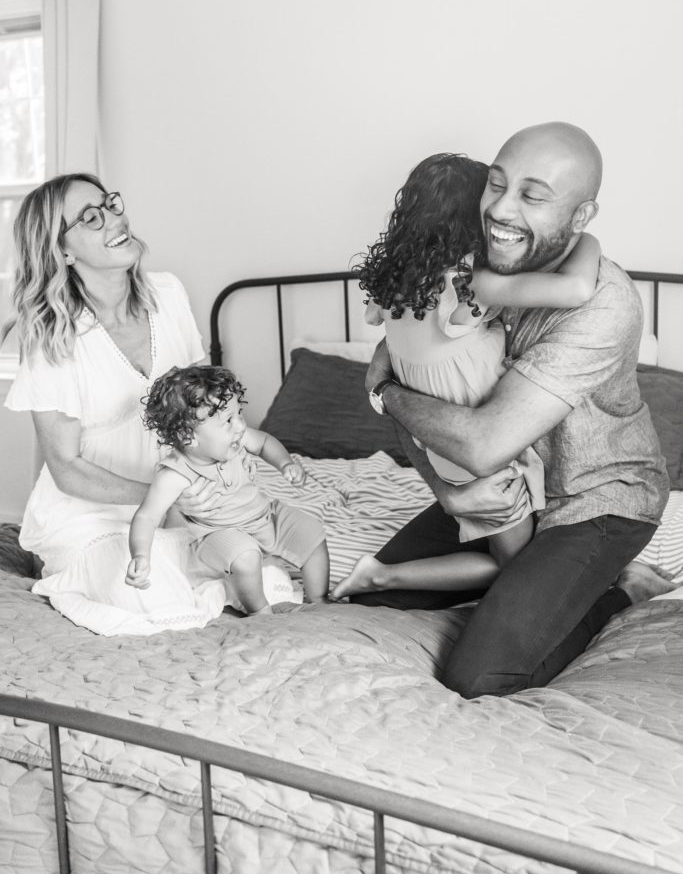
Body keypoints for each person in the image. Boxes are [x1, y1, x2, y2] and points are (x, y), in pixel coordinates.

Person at [340, 122, 674, 697]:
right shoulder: (458, 273)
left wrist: (384, 392)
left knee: (483, 674)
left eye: (532, 194)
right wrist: (445, 493)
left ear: (579, 216)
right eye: (495, 185)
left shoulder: (602, 304)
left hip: (593, 498)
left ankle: (617, 588)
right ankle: (544, 581)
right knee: (389, 594)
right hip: (498, 483)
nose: (501, 208)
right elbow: (428, 390)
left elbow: (477, 440)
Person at [332, 152, 602, 603]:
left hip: (436, 444)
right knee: (513, 569)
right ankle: (379, 576)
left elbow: (380, 326)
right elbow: (576, 289)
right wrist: (586, 235)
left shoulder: (391, 282)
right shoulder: (468, 287)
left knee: (524, 545)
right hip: (484, 445)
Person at [2, 173, 251, 635]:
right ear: (63, 251)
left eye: (110, 205)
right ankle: (67, 569)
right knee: (142, 591)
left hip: (175, 498)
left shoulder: (169, 295)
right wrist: (160, 497)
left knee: (255, 566)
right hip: (90, 511)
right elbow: (66, 468)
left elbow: (209, 404)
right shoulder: (53, 338)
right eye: (90, 218)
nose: (114, 219)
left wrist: (224, 469)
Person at [126, 364, 329, 613]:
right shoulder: (175, 474)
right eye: (229, 420)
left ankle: (318, 599)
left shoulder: (236, 438)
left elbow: (264, 442)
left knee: (313, 532)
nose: (241, 425)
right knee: (245, 556)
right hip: (218, 535)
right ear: (188, 436)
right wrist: (140, 555)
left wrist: (285, 463)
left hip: (266, 517)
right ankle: (259, 610)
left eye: (239, 413)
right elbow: (147, 516)